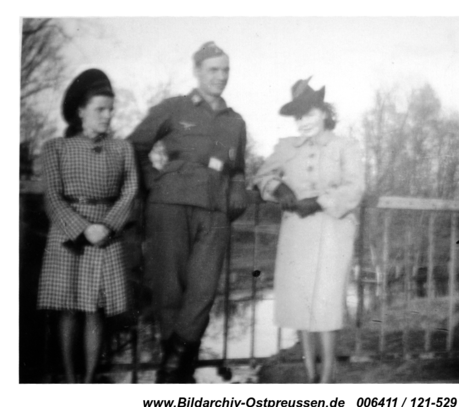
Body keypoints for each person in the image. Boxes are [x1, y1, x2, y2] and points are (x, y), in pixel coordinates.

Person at [128, 42, 248, 383]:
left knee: (203, 291)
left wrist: (238, 186)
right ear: (197, 71)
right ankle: (179, 376)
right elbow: (135, 145)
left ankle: (172, 365)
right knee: (169, 289)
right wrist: (154, 183)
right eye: (213, 69)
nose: (221, 77)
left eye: (225, 70)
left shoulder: (235, 121)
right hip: (171, 203)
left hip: (214, 209)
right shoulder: (174, 107)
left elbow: (237, 167)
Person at [254, 78, 365, 383]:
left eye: (309, 114)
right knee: (301, 299)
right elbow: (261, 176)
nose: (303, 121)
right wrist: (278, 188)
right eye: (298, 116)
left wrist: (319, 202)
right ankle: (309, 371)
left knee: (326, 300)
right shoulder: (287, 147)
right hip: (297, 234)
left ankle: (327, 373)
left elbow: (355, 187)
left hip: (333, 230)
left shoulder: (345, 146)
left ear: (324, 113)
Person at [37, 69, 138, 383]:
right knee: (68, 308)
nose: (107, 116)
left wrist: (106, 226)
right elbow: (52, 196)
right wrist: (82, 228)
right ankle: (69, 379)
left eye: (111, 110)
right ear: (80, 111)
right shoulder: (55, 148)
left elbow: (130, 191)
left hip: (105, 236)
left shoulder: (122, 149)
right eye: (100, 109)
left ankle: (90, 378)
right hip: (69, 237)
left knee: (95, 308)